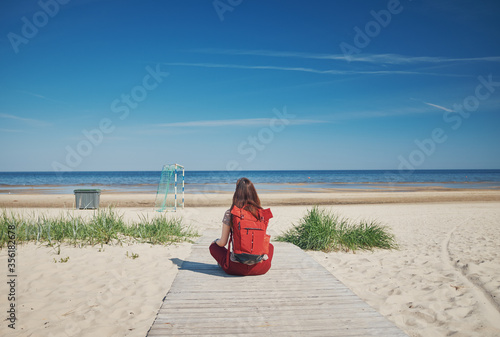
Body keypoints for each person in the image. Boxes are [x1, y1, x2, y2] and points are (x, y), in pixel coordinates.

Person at [209, 177, 274, 276]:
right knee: (271, 246)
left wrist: (215, 241)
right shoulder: (261, 214)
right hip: (261, 268)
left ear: (236, 194)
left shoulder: (231, 213)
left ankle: (222, 262)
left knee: (213, 247)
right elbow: (265, 240)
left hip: (235, 268)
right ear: (253, 193)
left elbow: (222, 243)